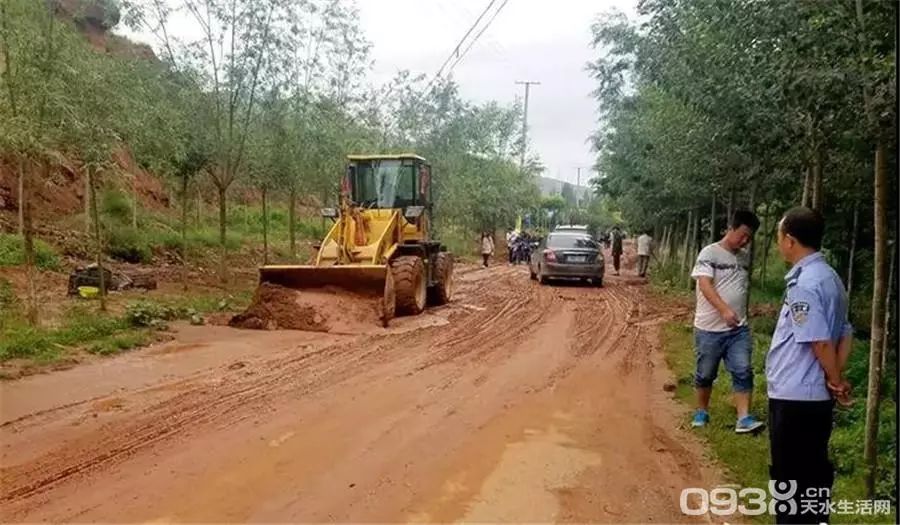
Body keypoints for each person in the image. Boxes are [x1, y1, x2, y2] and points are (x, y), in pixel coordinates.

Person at [766, 207, 852, 525]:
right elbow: (845, 333)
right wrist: (836, 381)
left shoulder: (804, 284)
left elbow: (819, 341)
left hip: (794, 397)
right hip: (816, 399)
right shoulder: (832, 279)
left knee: (790, 481)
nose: (778, 244)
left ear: (790, 240)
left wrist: (833, 377)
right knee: (815, 476)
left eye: (779, 237)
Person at [690, 210, 763, 433]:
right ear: (731, 228)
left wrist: (738, 313)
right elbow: (704, 284)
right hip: (709, 328)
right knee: (705, 373)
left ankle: (744, 418)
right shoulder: (709, 253)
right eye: (742, 235)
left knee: (743, 370)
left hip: (738, 328)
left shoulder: (743, 258)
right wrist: (724, 310)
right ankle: (701, 411)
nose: (745, 241)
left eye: (749, 238)